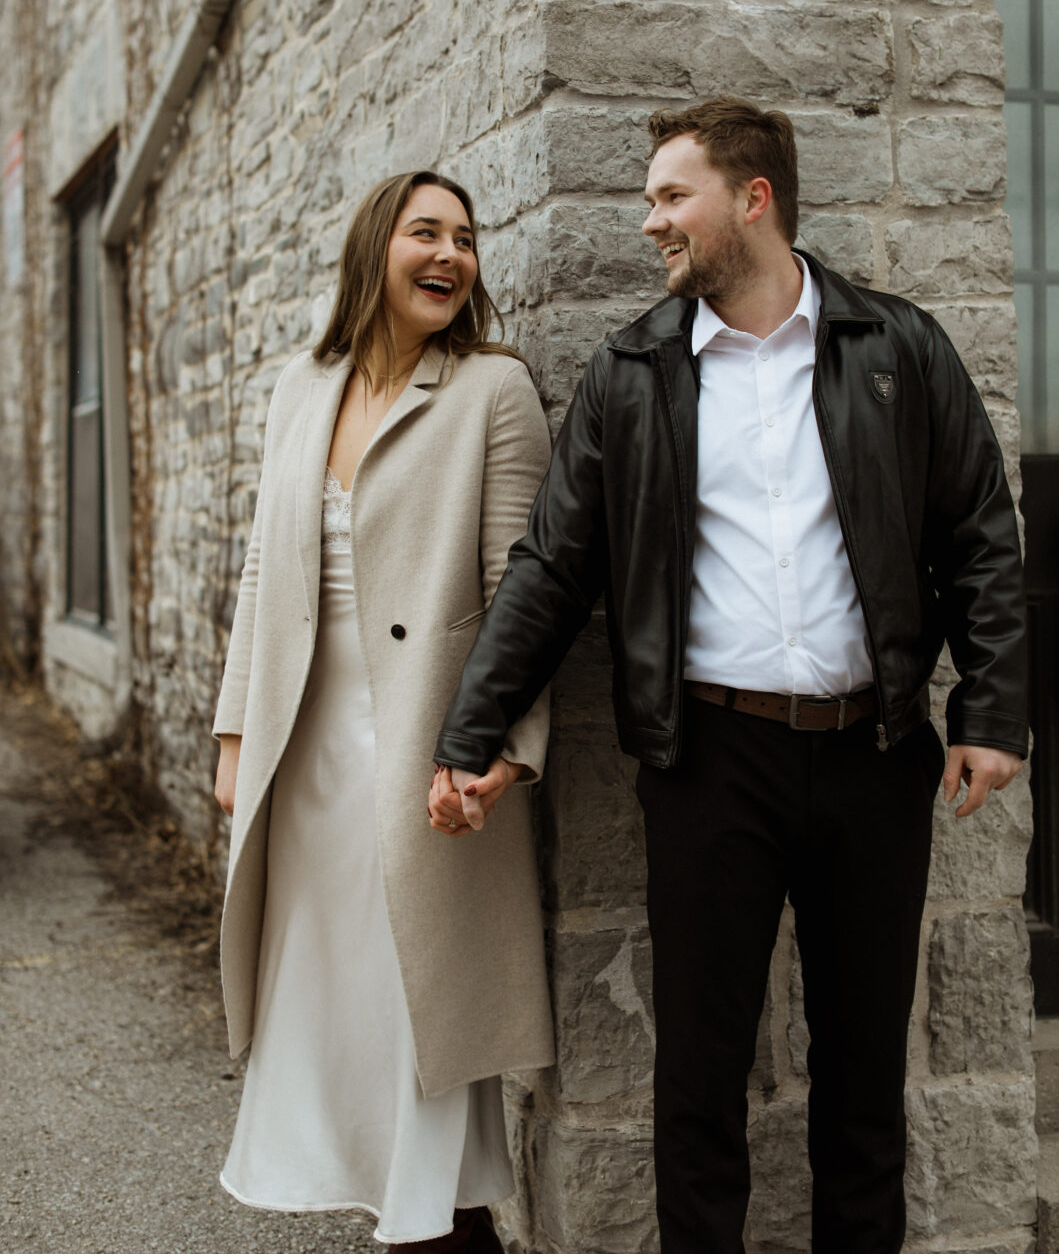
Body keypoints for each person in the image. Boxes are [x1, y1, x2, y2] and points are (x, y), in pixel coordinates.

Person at [428, 99, 1027, 1254]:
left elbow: (981, 537)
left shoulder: (895, 348)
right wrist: (472, 732)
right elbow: (550, 569)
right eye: (649, 197)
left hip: (874, 758)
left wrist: (988, 708)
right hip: (708, 767)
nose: (648, 220)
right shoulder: (631, 373)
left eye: (669, 196)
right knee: (697, 1075)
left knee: (862, 1070)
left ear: (751, 200)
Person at [212, 170, 554, 1252]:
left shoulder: (490, 390)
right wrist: (232, 733)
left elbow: (521, 592)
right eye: (425, 232)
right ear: (375, 248)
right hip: (303, 755)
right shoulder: (299, 388)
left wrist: (500, 747)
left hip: (422, 749)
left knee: (422, 1023)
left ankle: (438, 1229)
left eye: (464, 237)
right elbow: (263, 566)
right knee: (335, 1023)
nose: (449, 254)